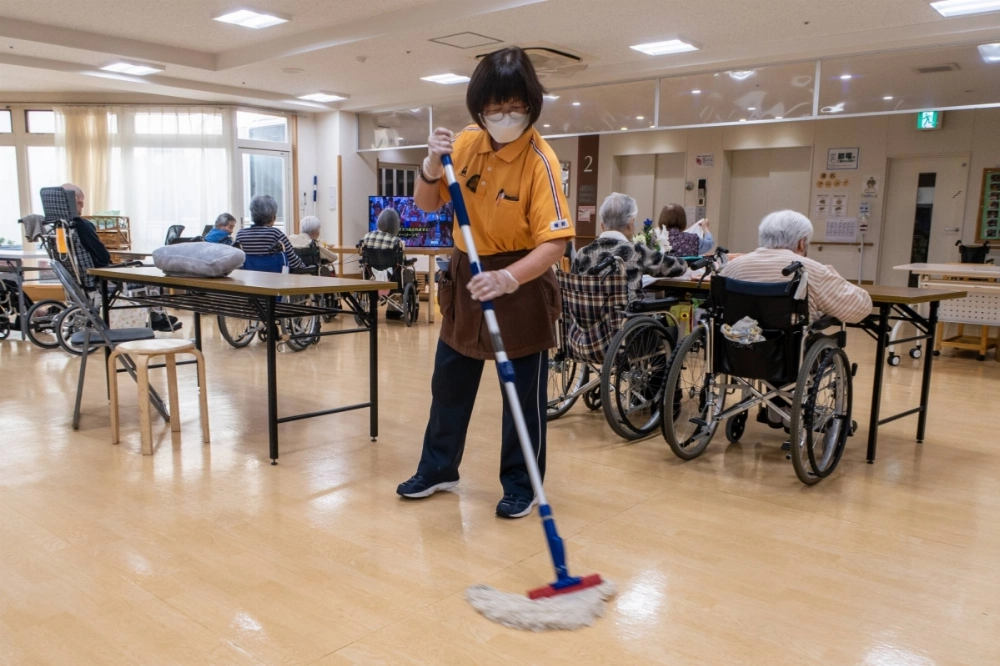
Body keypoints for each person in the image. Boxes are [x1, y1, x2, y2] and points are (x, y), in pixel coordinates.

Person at [395, 46, 575, 519]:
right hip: (465, 276)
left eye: (514, 108)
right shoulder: (469, 142)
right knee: (449, 382)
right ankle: (438, 468)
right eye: (493, 109)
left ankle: (522, 483)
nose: (503, 116)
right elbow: (429, 205)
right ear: (480, 108)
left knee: (520, 393)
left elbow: (555, 245)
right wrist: (432, 164)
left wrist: (508, 278)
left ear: (531, 105)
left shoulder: (542, 161)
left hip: (520, 280)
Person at [720, 210, 872, 323]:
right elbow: (859, 309)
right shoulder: (810, 270)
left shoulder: (733, 267)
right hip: (789, 350)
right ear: (801, 242)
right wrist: (833, 274)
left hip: (736, 350)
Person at [573, 193, 686, 300]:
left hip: (587, 317)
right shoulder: (636, 251)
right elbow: (678, 267)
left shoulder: (582, 253)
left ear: (602, 226)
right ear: (631, 224)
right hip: (627, 317)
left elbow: (573, 288)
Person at [234, 195, 305, 270]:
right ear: (273, 217)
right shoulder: (276, 234)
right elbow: (294, 263)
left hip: (248, 279)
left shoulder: (241, 234)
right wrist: (305, 267)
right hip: (273, 280)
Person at [61, 184, 110, 268]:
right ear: (76, 202)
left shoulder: (54, 227)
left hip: (70, 277)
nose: (83, 206)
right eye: (81, 202)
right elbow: (104, 257)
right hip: (97, 276)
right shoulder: (82, 226)